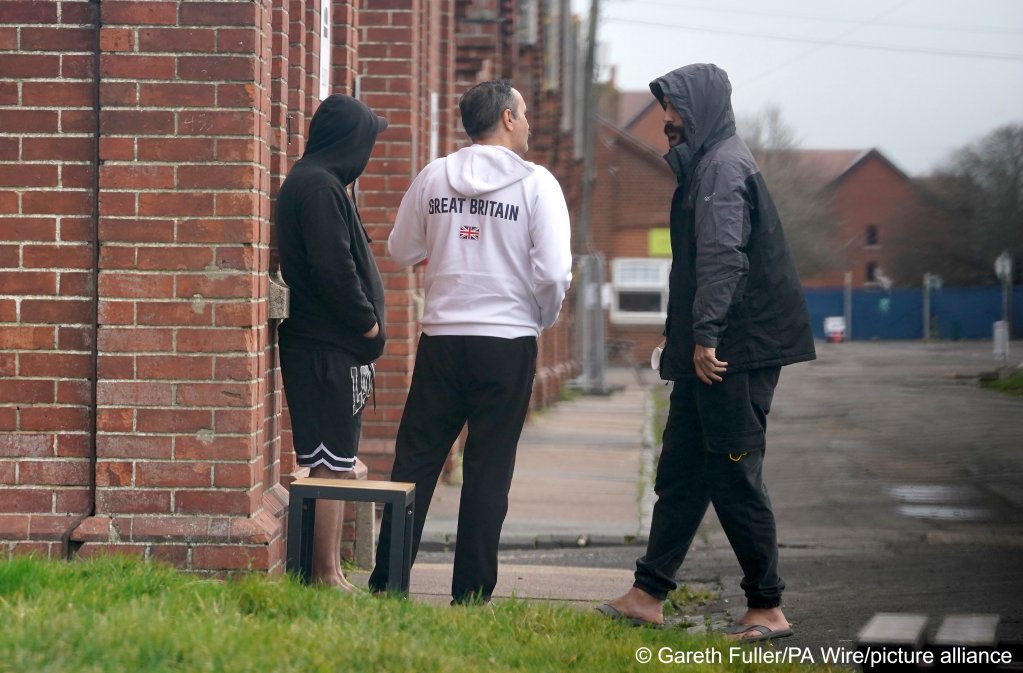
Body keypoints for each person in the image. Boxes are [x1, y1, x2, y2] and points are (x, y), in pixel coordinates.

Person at [598, 64, 816, 641]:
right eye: (666, 108)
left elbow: (723, 258)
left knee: (733, 472)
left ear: (700, 110)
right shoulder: (707, 165)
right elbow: (700, 267)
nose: (666, 120)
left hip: (733, 355)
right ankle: (647, 594)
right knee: (683, 472)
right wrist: (686, 334)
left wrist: (705, 337)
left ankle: (767, 607)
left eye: (674, 109)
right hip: (718, 349)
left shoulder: (721, 167)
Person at [368, 79, 573, 604]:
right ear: (507, 117)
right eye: (523, 113)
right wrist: (539, 318)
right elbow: (553, 272)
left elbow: (400, 248)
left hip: (442, 338)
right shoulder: (536, 185)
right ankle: (471, 594)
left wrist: (450, 242)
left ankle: (388, 583)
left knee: (414, 461)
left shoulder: (435, 176)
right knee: (488, 468)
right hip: (506, 341)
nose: (527, 123)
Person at [275, 94, 388, 590]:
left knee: (336, 462)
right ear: (350, 141)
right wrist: (367, 323)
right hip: (323, 347)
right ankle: (323, 574)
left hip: (330, 347)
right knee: (328, 464)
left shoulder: (323, 182)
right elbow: (333, 268)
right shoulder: (318, 186)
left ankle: (333, 570)